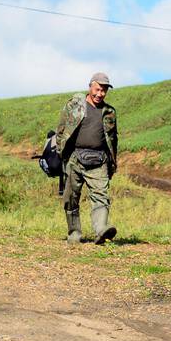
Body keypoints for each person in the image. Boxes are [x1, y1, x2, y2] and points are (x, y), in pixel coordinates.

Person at [52, 73, 118, 244]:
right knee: (70, 198)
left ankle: (101, 229)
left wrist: (112, 163)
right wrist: (61, 154)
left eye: (104, 90)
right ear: (90, 87)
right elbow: (61, 130)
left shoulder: (109, 112)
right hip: (75, 158)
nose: (100, 93)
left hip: (99, 160)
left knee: (101, 196)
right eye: (98, 89)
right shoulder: (75, 107)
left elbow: (113, 140)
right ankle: (74, 234)